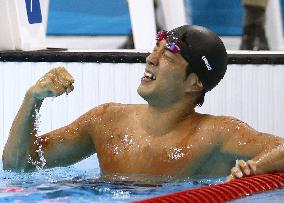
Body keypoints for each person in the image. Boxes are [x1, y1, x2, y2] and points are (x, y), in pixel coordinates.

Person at [3, 25, 284, 182]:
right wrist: (33, 99)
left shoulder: (217, 134)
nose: (150, 59)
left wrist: (256, 168)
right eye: (154, 50)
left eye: (168, 57)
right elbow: (18, 166)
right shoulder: (106, 120)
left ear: (194, 83)